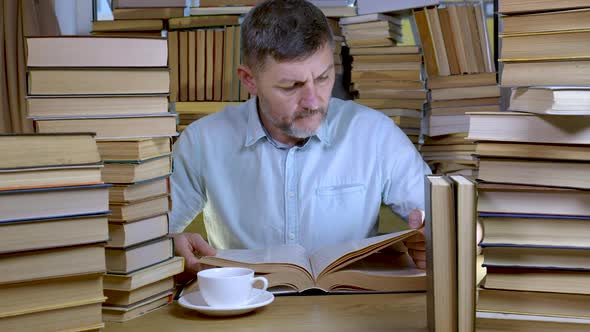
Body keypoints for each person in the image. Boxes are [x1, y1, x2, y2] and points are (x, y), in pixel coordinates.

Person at [169, 0, 431, 273]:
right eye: (291, 86)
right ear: (249, 80)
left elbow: (452, 222)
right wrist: (169, 245)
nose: (312, 102)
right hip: (242, 308)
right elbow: (146, 239)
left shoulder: (375, 134)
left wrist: (444, 235)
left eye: (323, 78)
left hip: (351, 308)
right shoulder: (202, 141)